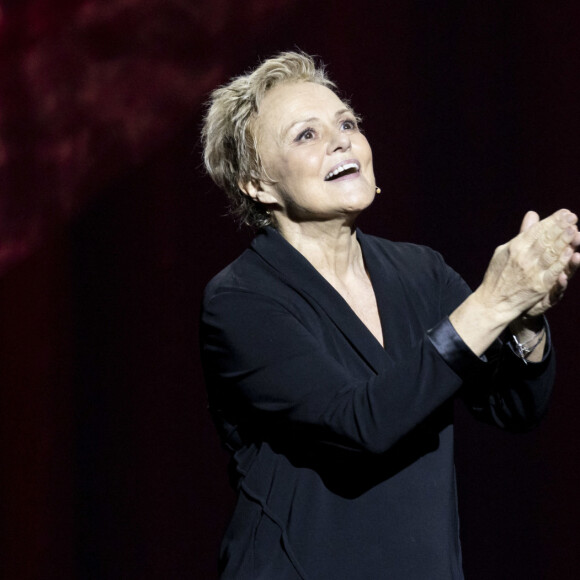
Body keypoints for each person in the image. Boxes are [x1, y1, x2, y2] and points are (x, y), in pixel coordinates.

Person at [199, 51, 580, 579]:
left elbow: (513, 406)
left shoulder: (419, 271)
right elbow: (360, 424)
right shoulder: (242, 300)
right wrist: (493, 302)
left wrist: (525, 318)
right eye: (305, 135)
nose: (341, 140)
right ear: (257, 185)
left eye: (347, 123)